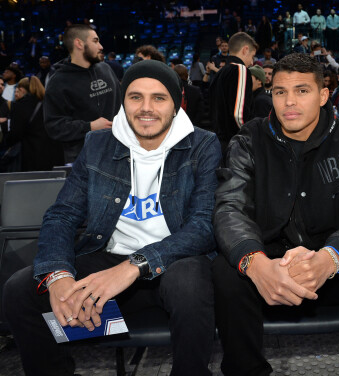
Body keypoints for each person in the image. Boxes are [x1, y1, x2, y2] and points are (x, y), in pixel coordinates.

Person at [2, 59, 221, 376]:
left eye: (159, 97)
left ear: (176, 104)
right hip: (107, 259)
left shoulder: (202, 144)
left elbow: (203, 227)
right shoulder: (99, 143)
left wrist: (134, 265)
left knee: (189, 281)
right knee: (19, 290)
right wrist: (58, 275)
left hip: (174, 261)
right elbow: (62, 214)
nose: (146, 108)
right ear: (123, 101)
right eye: (135, 97)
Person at [213, 52, 339, 376]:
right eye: (280, 92)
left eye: (302, 90)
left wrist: (331, 257)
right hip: (269, 261)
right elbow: (230, 208)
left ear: (324, 95)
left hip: (332, 259)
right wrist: (254, 263)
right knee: (227, 270)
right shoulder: (249, 139)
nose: (289, 102)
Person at [43, 24, 121, 164]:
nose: (101, 46)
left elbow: (123, 105)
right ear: (79, 43)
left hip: (117, 153)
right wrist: (89, 127)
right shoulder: (58, 81)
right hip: (82, 160)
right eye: (95, 41)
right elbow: (54, 127)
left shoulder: (106, 69)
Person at [209, 31, 257, 155]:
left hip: (218, 143)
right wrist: (252, 137)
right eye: (252, 56)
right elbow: (239, 114)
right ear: (245, 50)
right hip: (235, 143)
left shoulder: (220, 73)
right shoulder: (240, 69)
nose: (252, 62)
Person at [3, 76, 63, 171]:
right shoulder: (51, 104)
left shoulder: (20, 107)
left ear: (22, 89)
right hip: (54, 157)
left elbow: (15, 135)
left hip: (31, 157)